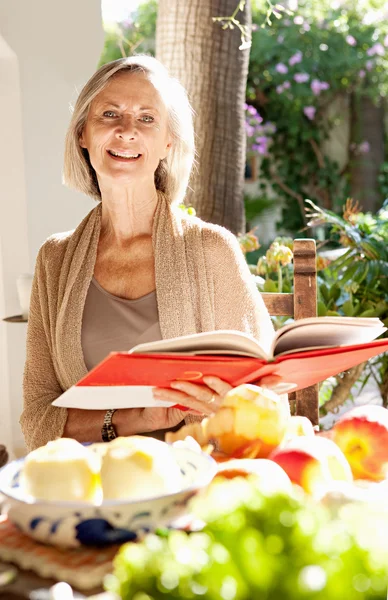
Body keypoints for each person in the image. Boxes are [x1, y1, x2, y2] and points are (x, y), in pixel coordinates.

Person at [20, 56, 279, 452]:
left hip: (199, 480)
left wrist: (227, 406)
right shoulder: (54, 260)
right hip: (89, 488)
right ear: (82, 134)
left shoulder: (212, 249)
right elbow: (37, 417)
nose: (126, 131)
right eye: (110, 114)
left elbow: (269, 402)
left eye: (146, 119)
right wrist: (133, 420)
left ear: (167, 142)